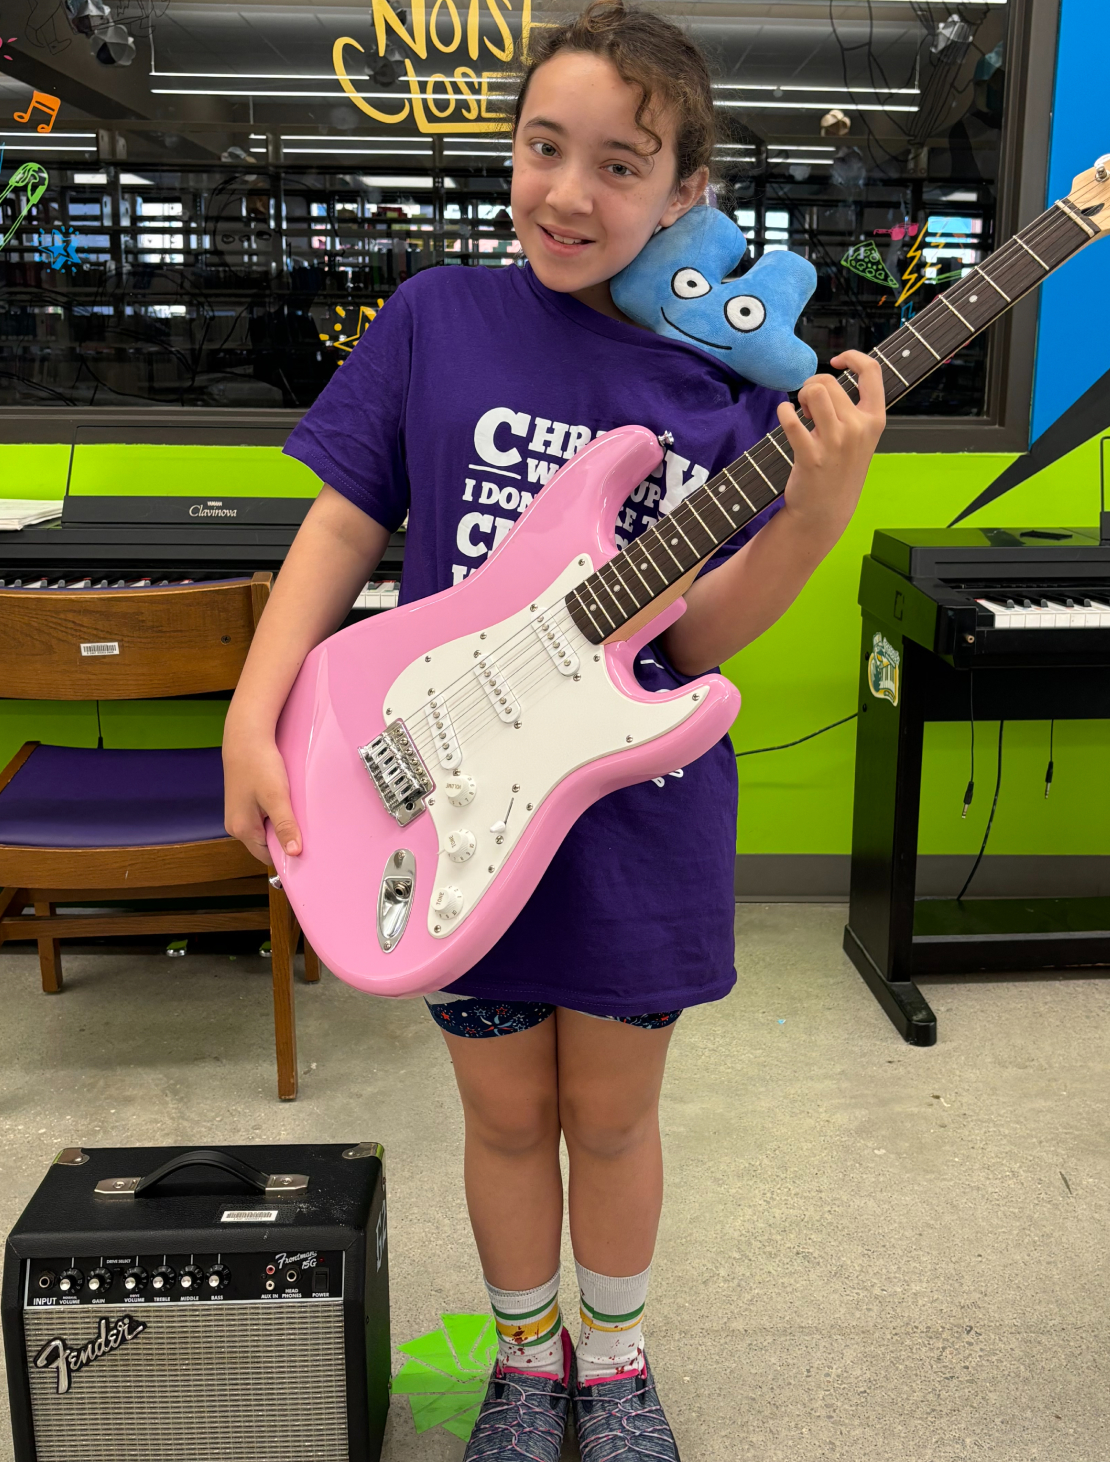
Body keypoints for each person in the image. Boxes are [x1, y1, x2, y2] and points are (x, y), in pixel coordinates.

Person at [222, 3, 885, 1456]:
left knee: (610, 1117)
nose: (570, 193)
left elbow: (697, 637)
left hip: (630, 817)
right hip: (445, 788)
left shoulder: (722, 388)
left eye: (621, 164)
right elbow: (341, 523)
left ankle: (621, 1364)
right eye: (543, 147)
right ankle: (530, 1366)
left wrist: (819, 510)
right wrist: (250, 711)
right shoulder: (434, 317)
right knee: (505, 1112)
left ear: (686, 194)